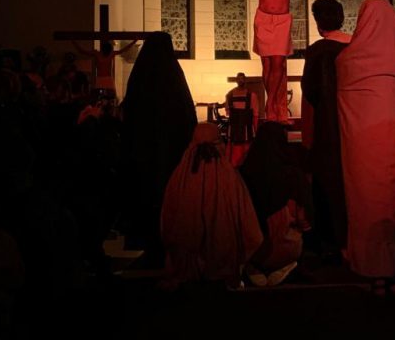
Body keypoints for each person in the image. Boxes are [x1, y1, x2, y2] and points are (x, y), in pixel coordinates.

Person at [209, 0, 343, 123]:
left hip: (282, 20)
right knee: (267, 64)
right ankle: (271, 103)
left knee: (278, 63)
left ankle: (270, 101)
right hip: (263, 19)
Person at [335, 0, 395, 293]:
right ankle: (389, 265)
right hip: (391, 139)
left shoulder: (347, 59)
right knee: (390, 201)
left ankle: (367, 264)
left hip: (359, 145)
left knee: (363, 200)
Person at [119, 32, 196, 263]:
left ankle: (150, 246)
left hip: (144, 155)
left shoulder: (140, 79)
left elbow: (130, 114)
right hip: (171, 156)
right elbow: (187, 118)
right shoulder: (174, 79)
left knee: (147, 198)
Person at [159, 123, 263, 290]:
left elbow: (168, 216)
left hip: (187, 268)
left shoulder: (181, 175)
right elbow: (246, 218)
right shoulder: (228, 174)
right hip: (222, 265)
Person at [300, 0, 351, 259]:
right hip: (355, 124)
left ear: (318, 22)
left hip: (328, 126)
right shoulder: (356, 45)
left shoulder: (318, 51)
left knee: (329, 182)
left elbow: (311, 91)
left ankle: (330, 242)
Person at [240, 122, 312, 286]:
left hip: (253, 252)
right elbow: (306, 222)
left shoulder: (243, 175)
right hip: (287, 251)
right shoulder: (294, 177)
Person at [71, 38, 138, 99]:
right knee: (102, 97)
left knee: (109, 97)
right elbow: (82, 51)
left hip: (105, 78)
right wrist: (73, 42)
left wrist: (134, 42)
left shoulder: (104, 54)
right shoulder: (101, 53)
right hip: (102, 79)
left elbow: (124, 50)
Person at [223, 72, 258, 166]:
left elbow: (255, 115)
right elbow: (228, 113)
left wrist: (256, 129)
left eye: (242, 79)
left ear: (245, 80)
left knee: (245, 150)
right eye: (239, 79)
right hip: (235, 130)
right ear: (236, 80)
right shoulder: (229, 95)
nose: (241, 81)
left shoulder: (252, 95)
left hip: (246, 129)